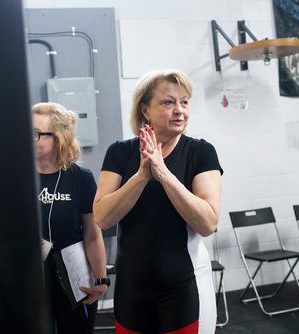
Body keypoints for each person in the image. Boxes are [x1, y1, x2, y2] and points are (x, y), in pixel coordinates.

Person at [93, 69, 223, 334]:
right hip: (132, 289)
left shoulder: (201, 152)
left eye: (184, 102)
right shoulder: (120, 152)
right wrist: (142, 175)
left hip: (184, 287)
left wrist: (163, 173)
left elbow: (208, 223)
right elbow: (102, 217)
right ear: (145, 110)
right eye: (168, 102)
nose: (179, 110)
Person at [33, 102, 108, 334]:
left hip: (73, 278)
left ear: (58, 138)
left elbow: (93, 234)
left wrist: (101, 279)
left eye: (36, 133)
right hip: (31, 280)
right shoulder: (15, 176)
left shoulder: (80, 178)